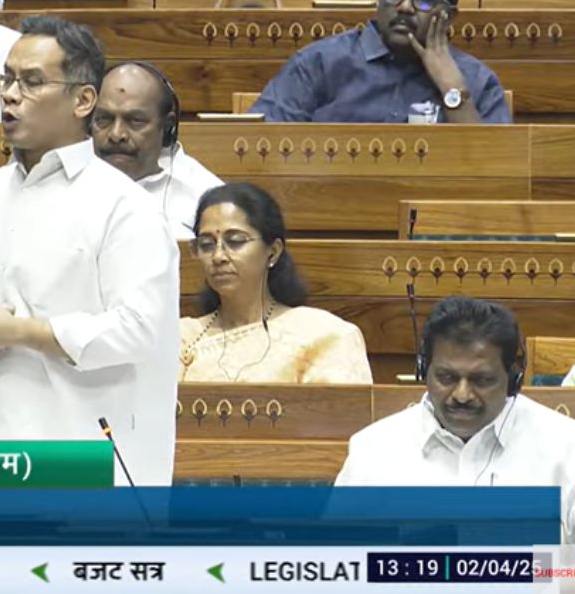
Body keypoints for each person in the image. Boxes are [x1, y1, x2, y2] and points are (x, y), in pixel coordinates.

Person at [0, 16, 180, 485]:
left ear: (83, 100)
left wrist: (19, 332)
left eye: (32, 82)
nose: (9, 94)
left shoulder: (125, 205)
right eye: (5, 80)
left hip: (79, 449)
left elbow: (138, 330)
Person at [336, 296, 574, 545]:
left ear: (513, 378)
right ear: (423, 370)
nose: (462, 395)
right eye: (446, 378)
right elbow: (339, 559)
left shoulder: (566, 448)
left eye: (482, 380)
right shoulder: (373, 450)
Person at [250, 0, 509, 124]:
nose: (404, 7)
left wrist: (452, 88)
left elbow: (497, 170)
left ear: (449, 16)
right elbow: (258, 146)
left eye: (424, 0)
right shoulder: (319, 63)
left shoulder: (477, 81)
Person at [180, 182, 372, 384]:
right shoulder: (182, 336)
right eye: (206, 245)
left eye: (235, 241)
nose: (218, 256)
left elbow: (341, 403)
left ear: (273, 251)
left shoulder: (322, 335)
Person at [92, 62, 222, 239]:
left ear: (167, 126)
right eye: (104, 119)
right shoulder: (65, 184)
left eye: (135, 121)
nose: (116, 134)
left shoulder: (205, 197)